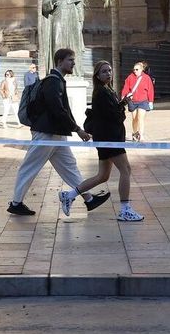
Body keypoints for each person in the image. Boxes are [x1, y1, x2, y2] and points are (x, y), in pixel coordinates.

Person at [7, 47, 109, 217]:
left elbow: (62, 110)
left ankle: (89, 199)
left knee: (69, 167)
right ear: (60, 61)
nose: (73, 63)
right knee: (29, 167)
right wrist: (77, 129)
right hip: (46, 134)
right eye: (70, 60)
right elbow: (58, 109)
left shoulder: (58, 80)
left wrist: (75, 128)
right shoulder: (53, 81)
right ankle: (16, 203)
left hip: (56, 133)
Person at [76, 60, 146, 222]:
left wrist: (120, 103)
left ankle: (69, 194)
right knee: (126, 170)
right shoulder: (101, 92)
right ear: (97, 75)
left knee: (102, 176)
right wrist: (123, 107)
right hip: (110, 138)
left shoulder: (107, 90)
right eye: (104, 71)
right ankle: (125, 209)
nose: (108, 73)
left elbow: (111, 111)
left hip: (107, 137)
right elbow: (115, 117)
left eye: (109, 71)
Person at [121, 60, 155, 142]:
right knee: (134, 118)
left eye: (137, 69)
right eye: (134, 69)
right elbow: (126, 87)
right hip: (133, 101)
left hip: (143, 101)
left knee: (141, 118)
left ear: (141, 69)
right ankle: (135, 133)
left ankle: (141, 135)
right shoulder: (130, 77)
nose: (135, 71)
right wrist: (123, 96)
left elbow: (150, 90)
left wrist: (150, 101)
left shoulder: (146, 78)